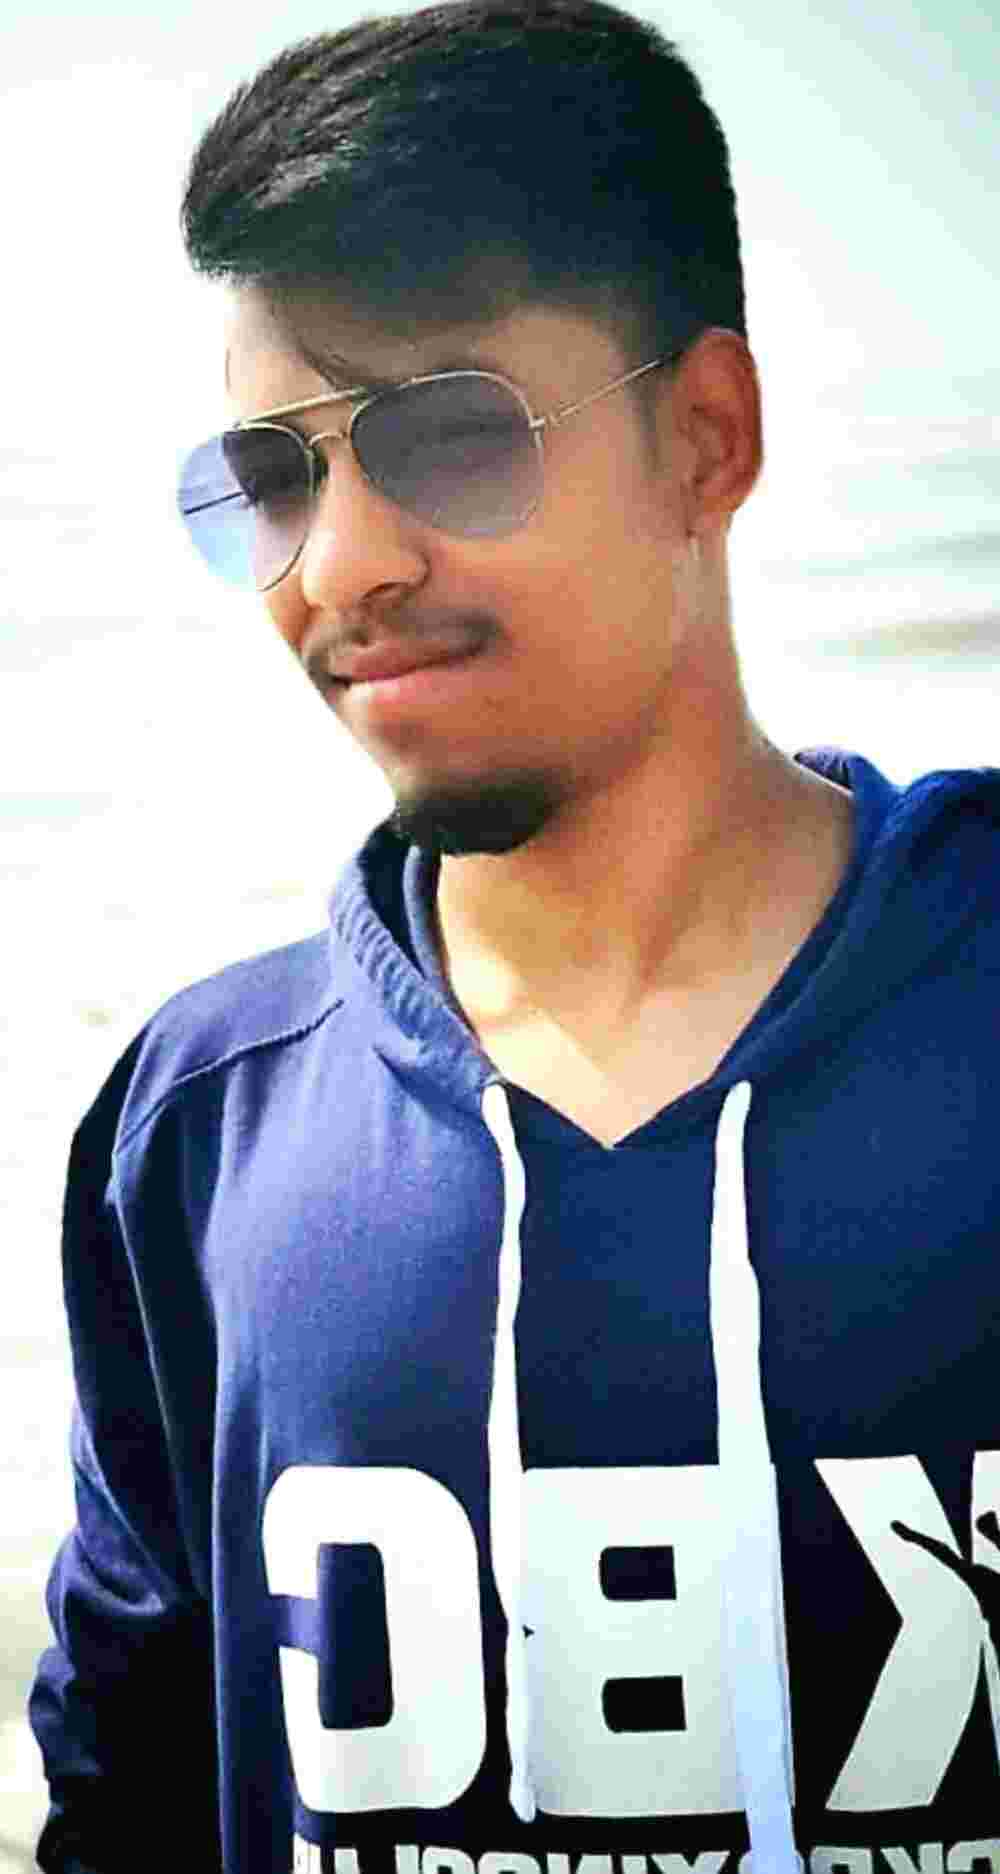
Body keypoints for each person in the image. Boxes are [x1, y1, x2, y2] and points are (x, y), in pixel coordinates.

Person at [29, 0, 1000, 1869]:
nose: (343, 563)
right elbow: (126, 1805)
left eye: (452, 435)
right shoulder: (204, 1134)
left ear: (705, 437)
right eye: (273, 479)